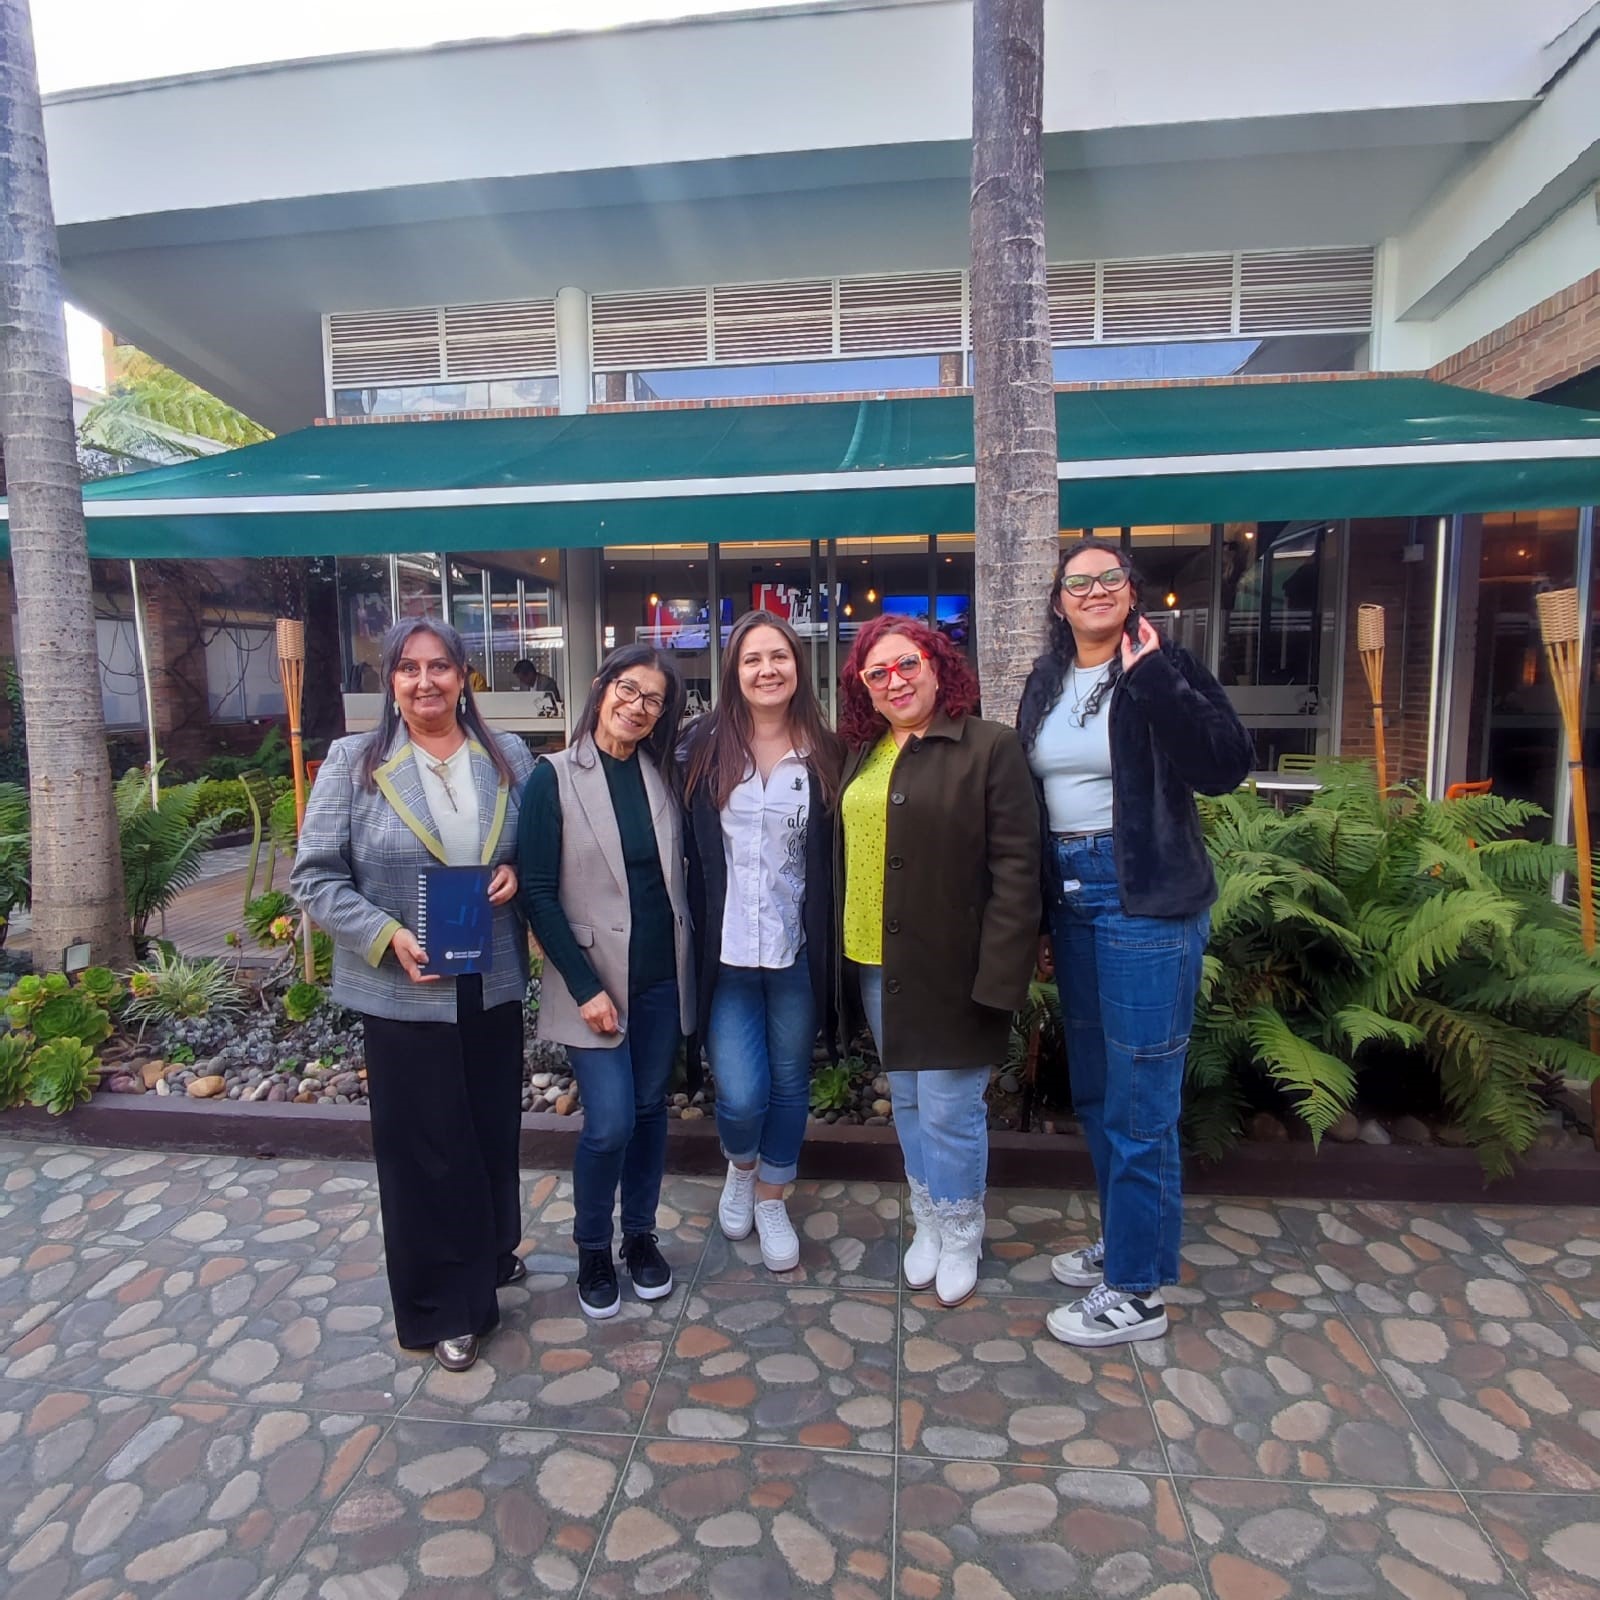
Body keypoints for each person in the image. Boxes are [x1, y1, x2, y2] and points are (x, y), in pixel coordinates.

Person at [1017, 537, 1252, 1347]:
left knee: (1141, 1101)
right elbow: (1030, 799)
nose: (1092, 590)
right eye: (1076, 581)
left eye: (1108, 577)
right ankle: (1128, 1241)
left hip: (1144, 896)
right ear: (1058, 600)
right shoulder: (1046, 681)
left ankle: (1138, 1292)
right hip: (1073, 897)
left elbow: (1224, 765)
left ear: (1130, 590)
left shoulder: (1166, 666)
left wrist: (1150, 678)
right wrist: (1044, 917)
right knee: (1094, 1089)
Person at [292, 618, 534, 1374]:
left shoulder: (507, 758)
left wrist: (517, 875)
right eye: (408, 669)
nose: (425, 682)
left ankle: (492, 1250)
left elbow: (534, 848)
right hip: (405, 990)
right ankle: (445, 1307)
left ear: (466, 677)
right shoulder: (353, 763)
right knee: (425, 1152)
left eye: (440, 668)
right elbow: (315, 877)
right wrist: (385, 935)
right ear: (390, 680)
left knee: (490, 1130)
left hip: (486, 979)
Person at [837, 615, 1040, 1307]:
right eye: (877, 674)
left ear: (935, 665)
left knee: (953, 1109)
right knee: (912, 1102)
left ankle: (961, 1231)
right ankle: (929, 1217)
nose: (894, 681)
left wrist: (1000, 976)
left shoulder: (990, 746)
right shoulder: (862, 752)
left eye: (906, 665)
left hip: (956, 965)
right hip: (874, 958)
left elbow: (1017, 869)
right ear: (863, 688)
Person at [518, 646, 693, 1319]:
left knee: (650, 1114)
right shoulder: (552, 778)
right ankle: (593, 1245)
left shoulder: (660, 776)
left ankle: (639, 1238)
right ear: (601, 688)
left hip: (659, 978)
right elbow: (537, 891)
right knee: (611, 1122)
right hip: (593, 983)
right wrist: (587, 987)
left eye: (654, 699)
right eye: (629, 689)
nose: (638, 706)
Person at [681, 610, 842, 1271]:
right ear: (733, 671)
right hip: (725, 958)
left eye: (778, 656)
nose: (766, 669)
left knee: (788, 1083)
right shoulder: (699, 749)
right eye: (752, 659)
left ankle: (773, 1196)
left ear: (797, 666)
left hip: (796, 953)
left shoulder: (827, 753)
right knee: (741, 1094)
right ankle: (740, 1167)